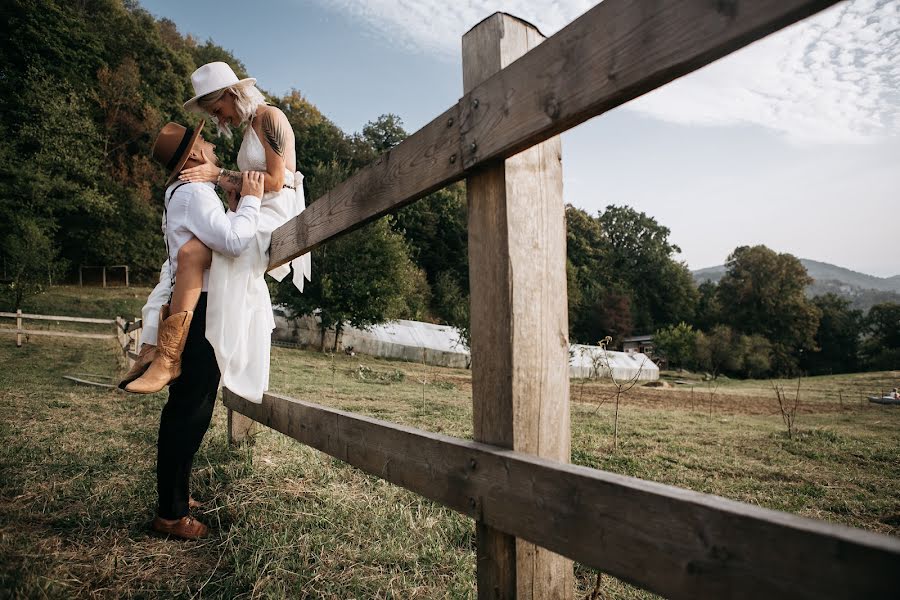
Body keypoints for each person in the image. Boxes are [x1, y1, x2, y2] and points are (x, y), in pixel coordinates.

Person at [122, 62, 310, 399]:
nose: (219, 120)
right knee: (178, 260)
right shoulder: (251, 124)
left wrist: (217, 175)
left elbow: (277, 181)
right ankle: (152, 348)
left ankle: (168, 357)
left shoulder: (270, 117)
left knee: (192, 252)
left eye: (218, 110)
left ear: (231, 94)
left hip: (275, 214)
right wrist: (233, 193)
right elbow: (252, 182)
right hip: (252, 206)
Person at [142, 120, 265, 539]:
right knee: (191, 410)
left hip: (189, 304)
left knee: (186, 406)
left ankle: (175, 495)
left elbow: (212, 237)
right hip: (202, 308)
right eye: (205, 142)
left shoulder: (179, 192)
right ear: (194, 154)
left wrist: (230, 202)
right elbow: (233, 242)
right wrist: (249, 200)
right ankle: (171, 514)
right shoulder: (195, 192)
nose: (212, 145)